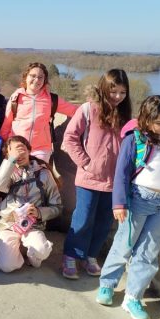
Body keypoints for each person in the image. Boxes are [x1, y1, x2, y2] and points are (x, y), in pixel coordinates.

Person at [96, 95, 160, 319]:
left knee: (149, 251)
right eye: (159, 122)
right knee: (124, 244)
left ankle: (132, 297)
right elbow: (121, 173)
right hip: (138, 200)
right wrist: (119, 203)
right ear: (146, 121)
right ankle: (107, 284)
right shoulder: (135, 140)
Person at [61, 69, 132, 280]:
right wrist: (86, 163)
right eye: (113, 91)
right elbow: (70, 137)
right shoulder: (88, 109)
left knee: (104, 222)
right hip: (89, 178)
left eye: (122, 92)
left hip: (114, 181)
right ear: (103, 88)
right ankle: (71, 256)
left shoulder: (125, 116)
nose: (117, 96)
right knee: (83, 219)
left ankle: (90, 256)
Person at [0, 135, 61, 273]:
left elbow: (57, 207)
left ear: (29, 150)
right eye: (13, 151)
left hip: (32, 225)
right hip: (9, 223)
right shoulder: (9, 172)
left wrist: (39, 212)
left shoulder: (44, 173)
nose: (19, 153)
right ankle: (16, 249)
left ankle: (30, 253)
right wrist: (11, 160)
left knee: (41, 251)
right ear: (8, 154)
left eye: (22, 149)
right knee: (7, 266)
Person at [0, 62, 78, 164]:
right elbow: (7, 123)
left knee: (39, 174)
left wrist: (93, 109)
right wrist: (3, 144)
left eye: (40, 77)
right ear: (26, 77)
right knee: (15, 174)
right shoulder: (16, 97)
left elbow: (75, 111)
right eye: (33, 76)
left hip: (41, 149)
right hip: (17, 147)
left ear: (45, 80)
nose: (36, 80)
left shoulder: (52, 99)